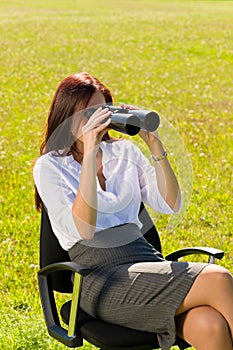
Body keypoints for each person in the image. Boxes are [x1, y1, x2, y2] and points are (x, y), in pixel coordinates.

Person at [33, 72, 233, 350]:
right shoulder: (50, 167)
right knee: (218, 278)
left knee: (208, 324)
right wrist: (89, 154)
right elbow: (83, 228)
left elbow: (170, 204)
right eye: (86, 113)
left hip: (145, 261)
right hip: (99, 277)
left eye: (101, 111)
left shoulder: (124, 153)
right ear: (67, 115)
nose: (95, 120)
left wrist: (155, 144)